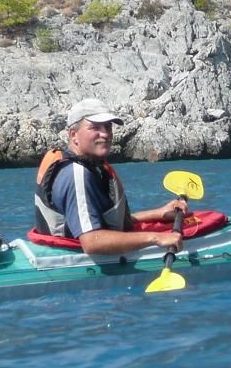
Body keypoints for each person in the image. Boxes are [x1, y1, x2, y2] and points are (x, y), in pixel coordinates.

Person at [33, 98, 188, 256]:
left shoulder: (90, 167)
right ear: (74, 135)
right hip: (74, 262)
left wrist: (159, 213)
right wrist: (157, 238)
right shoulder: (76, 175)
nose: (105, 134)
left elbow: (103, 221)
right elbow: (92, 242)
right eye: (95, 127)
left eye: (108, 127)